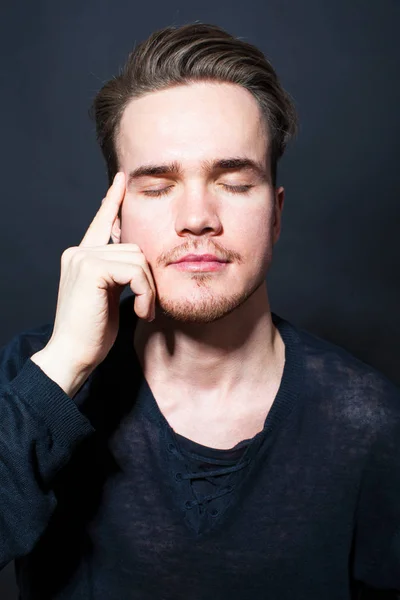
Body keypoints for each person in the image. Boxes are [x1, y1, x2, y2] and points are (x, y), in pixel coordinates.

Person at [0, 22, 399, 600]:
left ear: (276, 214)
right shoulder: (33, 377)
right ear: (115, 218)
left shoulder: (374, 426)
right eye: (158, 187)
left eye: (234, 183)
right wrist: (62, 365)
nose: (197, 217)